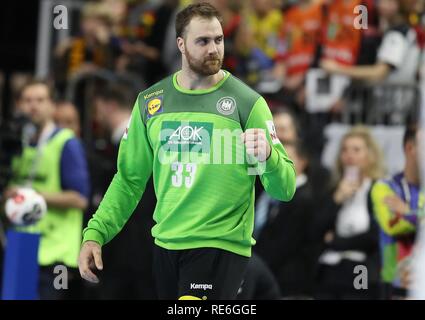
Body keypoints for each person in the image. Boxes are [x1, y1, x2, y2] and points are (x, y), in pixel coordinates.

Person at [78, 2, 296, 300]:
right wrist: (95, 234)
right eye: (203, 41)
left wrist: (269, 158)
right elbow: (129, 180)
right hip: (166, 246)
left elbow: (285, 189)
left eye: (218, 40)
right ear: (180, 44)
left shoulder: (249, 103)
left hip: (219, 245)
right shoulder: (150, 103)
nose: (213, 49)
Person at [4, 80, 90, 299]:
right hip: (21, 245)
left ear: (53, 105)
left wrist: (34, 196)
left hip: (56, 253)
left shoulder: (66, 143)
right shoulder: (17, 144)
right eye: (27, 100)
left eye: (40, 100)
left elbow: (80, 199)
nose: (33, 106)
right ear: (18, 105)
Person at [314, 126, 384, 299]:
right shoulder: (332, 190)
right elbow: (314, 230)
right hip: (330, 267)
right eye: (344, 149)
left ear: (370, 156)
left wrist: (335, 241)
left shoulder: (379, 190)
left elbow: (373, 237)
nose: (349, 155)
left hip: (361, 268)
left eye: (356, 150)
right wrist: (336, 200)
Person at [371, 125, 424, 299]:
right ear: (410, 148)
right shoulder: (384, 187)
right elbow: (392, 226)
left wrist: (406, 211)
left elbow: (406, 220)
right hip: (395, 283)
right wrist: (419, 215)